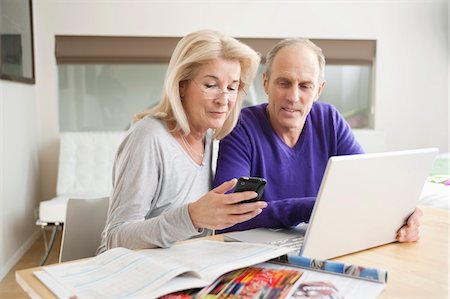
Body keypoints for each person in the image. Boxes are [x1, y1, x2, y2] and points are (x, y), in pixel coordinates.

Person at [213, 38, 422, 242]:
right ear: (266, 83)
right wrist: (308, 208)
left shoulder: (329, 120)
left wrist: (404, 214)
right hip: (253, 253)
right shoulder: (239, 126)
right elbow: (228, 216)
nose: (293, 96)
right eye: (284, 83)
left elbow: (366, 187)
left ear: (319, 90)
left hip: (320, 244)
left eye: (305, 86)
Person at [97, 30, 266, 253]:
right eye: (211, 85)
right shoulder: (148, 138)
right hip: (136, 273)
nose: (224, 100)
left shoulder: (208, 137)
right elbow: (115, 238)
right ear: (181, 85)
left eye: (232, 87)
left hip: (185, 268)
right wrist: (191, 217)